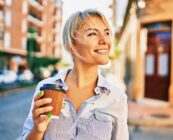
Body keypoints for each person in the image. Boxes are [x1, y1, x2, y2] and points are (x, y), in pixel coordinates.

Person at [21, 9, 129, 140]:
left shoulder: (117, 97)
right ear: (72, 44)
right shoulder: (46, 88)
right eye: (93, 34)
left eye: (106, 33)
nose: (105, 40)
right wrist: (38, 129)